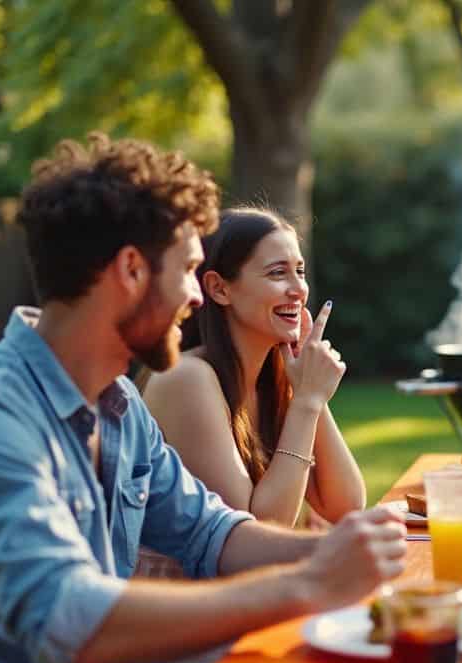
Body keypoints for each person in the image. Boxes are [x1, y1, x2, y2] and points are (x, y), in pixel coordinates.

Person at [0, 133, 406, 663]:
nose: (197, 297)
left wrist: (341, 551)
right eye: (189, 271)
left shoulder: (119, 406)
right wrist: (306, 583)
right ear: (132, 271)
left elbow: (215, 534)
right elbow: (69, 622)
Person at [143, 208, 365, 533]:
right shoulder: (186, 377)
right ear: (219, 289)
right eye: (278, 273)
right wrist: (307, 401)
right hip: (179, 584)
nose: (298, 289)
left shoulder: (272, 379)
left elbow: (344, 506)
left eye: (300, 271)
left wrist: (309, 391)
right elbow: (254, 533)